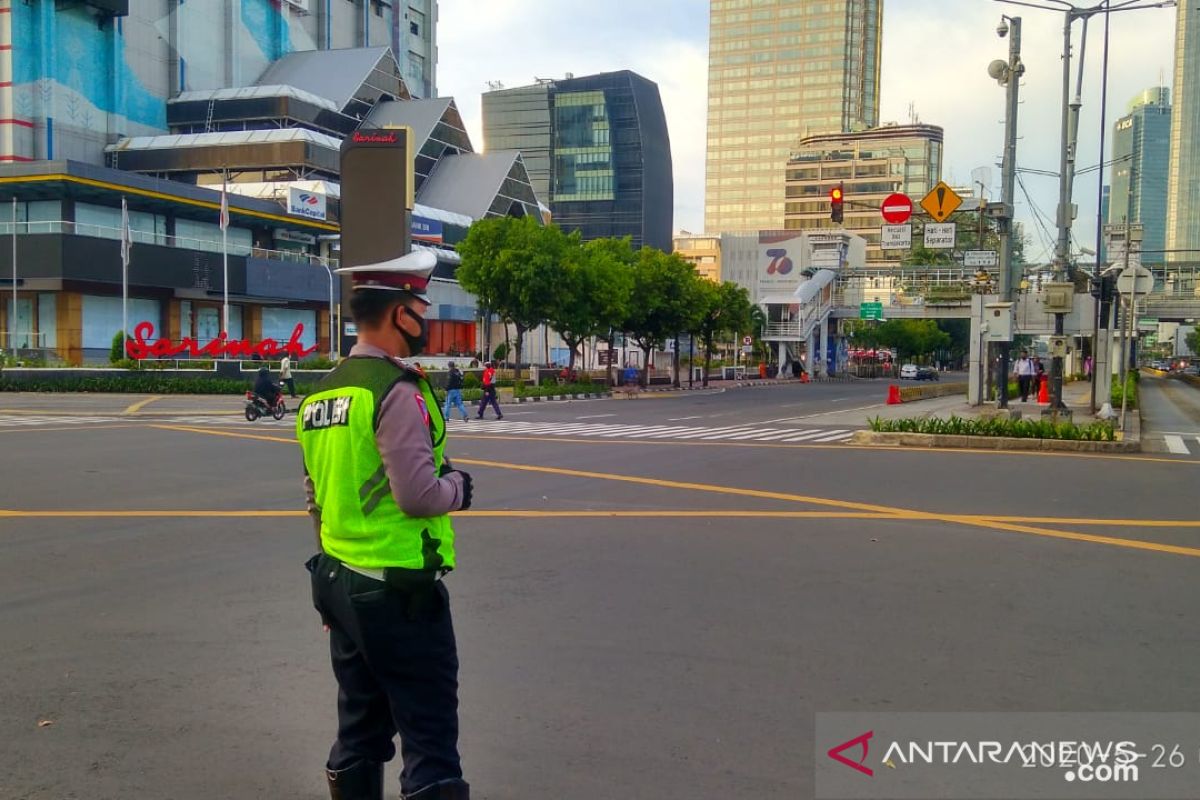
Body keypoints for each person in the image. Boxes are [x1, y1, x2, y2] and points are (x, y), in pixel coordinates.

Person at [297, 252, 474, 800]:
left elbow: (316, 499)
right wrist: (461, 489)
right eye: (420, 307)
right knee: (430, 737)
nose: (424, 317)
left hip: (340, 581)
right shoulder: (395, 390)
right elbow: (420, 495)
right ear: (400, 314)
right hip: (398, 589)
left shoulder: (323, 392)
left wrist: (339, 588)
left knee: (360, 728)